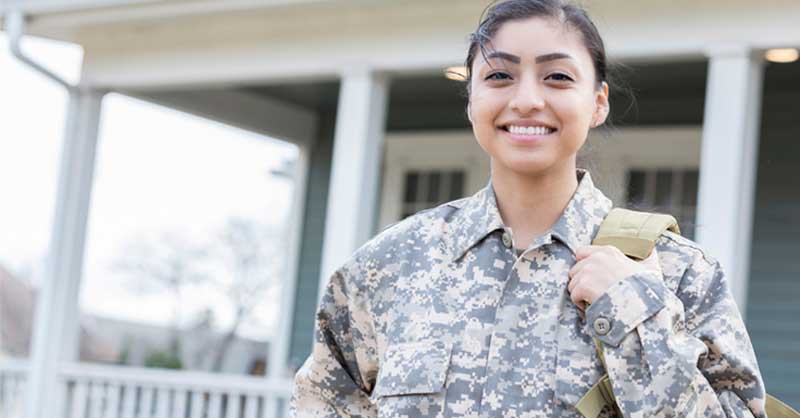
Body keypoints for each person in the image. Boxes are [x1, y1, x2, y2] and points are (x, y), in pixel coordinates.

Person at [290, 0, 767, 416]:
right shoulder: (388, 267)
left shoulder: (677, 273)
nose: (527, 100)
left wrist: (632, 313)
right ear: (471, 99)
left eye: (557, 77)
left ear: (598, 103)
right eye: (499, 76)